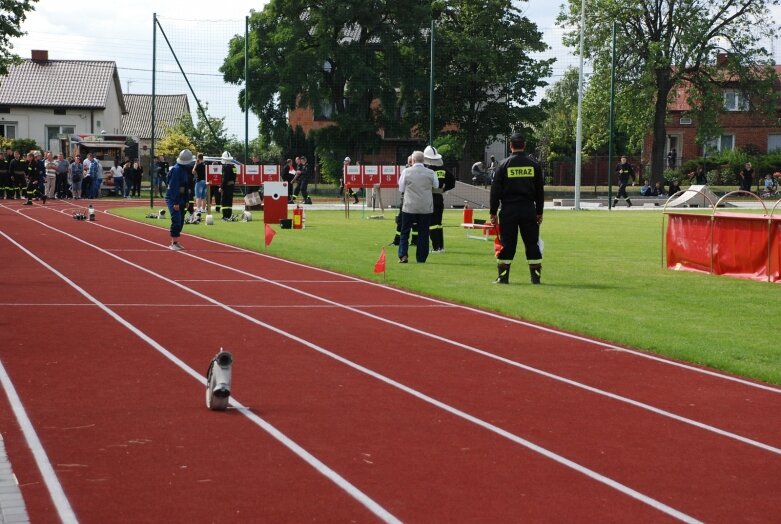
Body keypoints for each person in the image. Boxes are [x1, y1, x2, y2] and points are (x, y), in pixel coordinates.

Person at [489, 132, 544, 285]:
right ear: (524, 145)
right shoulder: (534, 165)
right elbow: (540, 191)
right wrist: (539, 211)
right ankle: (535, 278)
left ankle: (503, 278)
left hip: (508, 210)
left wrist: (493, 212)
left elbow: (495, 192)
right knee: (532, 243)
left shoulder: (503, 165)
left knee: (507, 243)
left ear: (510, 145)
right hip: (528, 209)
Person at [398, 150, 437, 263]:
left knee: (405, 231)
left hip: (409, 206)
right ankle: (421, 258)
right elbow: (436, 185)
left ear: (413, 160)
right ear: (424, 160)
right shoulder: (430, 172)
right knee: (424, 233)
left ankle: (403, 255)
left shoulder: (407, 171)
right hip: (425, 207)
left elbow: (401, 188)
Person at [424, 145, 455, 253]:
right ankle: (441, 247)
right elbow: (452, 182)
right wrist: (444, 189)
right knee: (438, 223)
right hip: (439, 198)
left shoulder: (427, 170)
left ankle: (436, 247)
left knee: (432, 224)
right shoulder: (443, 170)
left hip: (429, 198)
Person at [165, 149, 194, 250]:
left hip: (181, 197)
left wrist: (187, 201)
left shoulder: (184, 170)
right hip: (173, 197)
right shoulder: (176, 170)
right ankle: (173, 243)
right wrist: (176, 202)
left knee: (181, 219)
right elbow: (173, 187)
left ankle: (175, 241)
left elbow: (186, 187)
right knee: (176, 218)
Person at [218, 151, 236, 220]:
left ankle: (225, 216)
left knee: (224, 202)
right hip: (231, 186)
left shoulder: (225, 167)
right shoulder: (234, 167)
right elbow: (234, 177)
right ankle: (229, 215)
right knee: (229, 201)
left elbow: (225, 178)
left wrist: (221, 187)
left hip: (226, 187)